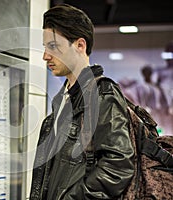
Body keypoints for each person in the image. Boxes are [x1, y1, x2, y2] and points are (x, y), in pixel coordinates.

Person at [30, 4, 134, 200]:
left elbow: (118, 166)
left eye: (53, 46)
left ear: (80, 45)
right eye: (45, 47)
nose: (45, 56)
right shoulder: (63, 100)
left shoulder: (102, 94)